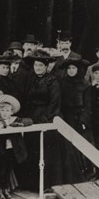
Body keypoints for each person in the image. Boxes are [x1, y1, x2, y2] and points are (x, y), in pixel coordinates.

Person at [19, 49, 61, 190]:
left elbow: (55, 102)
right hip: (31, 116)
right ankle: (30, 184)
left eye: (41, 66)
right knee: (31, 149)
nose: (38, 68)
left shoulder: (52, 81)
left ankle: (45, 184)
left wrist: (45, 118)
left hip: (44, 118)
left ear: (46, 66)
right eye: (36, 65)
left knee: (44, 150)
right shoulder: (31, 79)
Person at [59, 56, 92, 182]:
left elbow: (88, 105)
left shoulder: (85, 84)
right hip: (66, 117)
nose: (71, 71)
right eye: (69, 68)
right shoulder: (63, 82)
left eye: (73, 68)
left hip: (79, 118)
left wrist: (84, 120)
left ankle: (85, 172)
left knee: (82, 145)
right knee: (68, 146)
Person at [0, 95, 30, 199]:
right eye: (2, 110)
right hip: (0, 149)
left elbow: (29, 121)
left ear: (11, 112)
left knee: (8, 169)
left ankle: (6, 190)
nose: (5, 113)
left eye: (7, 110)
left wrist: (17, 124)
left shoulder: (14, 119)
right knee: (1, 170)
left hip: (12, 149)